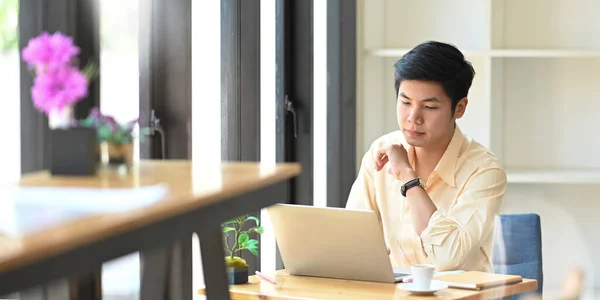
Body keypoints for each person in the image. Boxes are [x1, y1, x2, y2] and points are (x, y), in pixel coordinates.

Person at [346, 41, 507, 272]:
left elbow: (448, 257)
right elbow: (351, 237)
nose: (413, 117)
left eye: (429, 107)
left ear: (459, 108)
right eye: (405, 102)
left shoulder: (485, 171)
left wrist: (409, 179)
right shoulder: (381, 150)